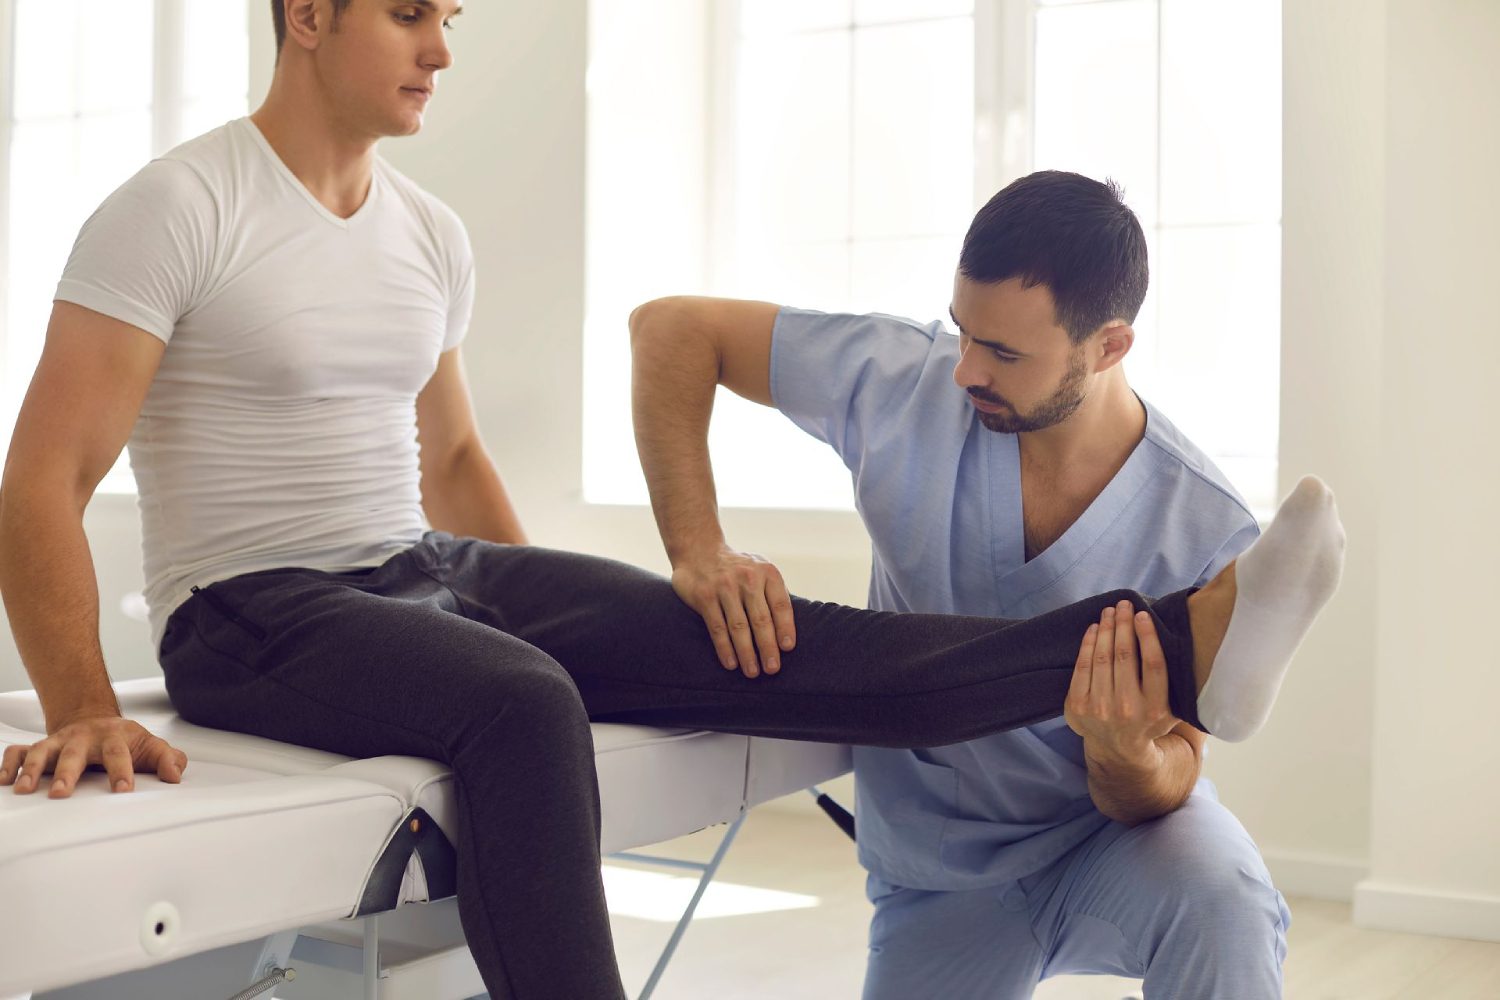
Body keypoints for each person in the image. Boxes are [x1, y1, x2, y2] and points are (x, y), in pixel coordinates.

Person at [0, 3, 1342, 998]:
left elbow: (454, 459)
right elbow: (43, 476)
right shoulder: (178, 207)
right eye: (411, 15)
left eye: (450, 18)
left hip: (418, 560)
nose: (444, 48)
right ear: (305, 16)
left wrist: (531, 617)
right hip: (250, 606)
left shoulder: (427, 234)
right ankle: (1179, 637)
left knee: (754, 638)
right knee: (520, 704)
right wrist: (83, 706)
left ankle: (1182, 645)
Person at [629, 171, 1345, 997]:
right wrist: (699, 548)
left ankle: (1208, 633)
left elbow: (1176, 771)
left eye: (1004, 352)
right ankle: (1193, 632)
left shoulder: (1200, 523)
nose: (967, 369)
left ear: (1109, 347)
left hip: (1109, 844)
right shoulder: (906, 381)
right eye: (965, 331)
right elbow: (670, 328)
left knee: (1228, 902)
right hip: (938, 874)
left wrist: (1125, 754)